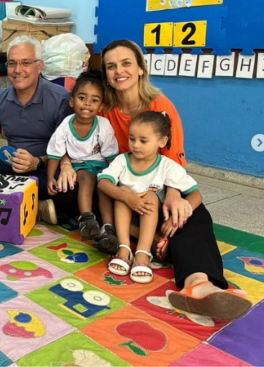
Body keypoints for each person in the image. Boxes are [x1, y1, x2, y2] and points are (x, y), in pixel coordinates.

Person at [58, 40, 251, 320]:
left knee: (190, 215)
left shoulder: (162, 108)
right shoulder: (101, 107)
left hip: (158, 186)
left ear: (139, 69)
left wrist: (173, 195)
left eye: (126, 63)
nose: (118, 71)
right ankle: (147, 238)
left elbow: (173, 167)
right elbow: (71, 138)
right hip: (117, 187)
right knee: (76, 189)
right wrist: (65, 162)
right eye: (111, 66)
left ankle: (199, 284)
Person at [0, 35, 73, 225]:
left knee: (71, 185)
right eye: (12, 64)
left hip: (46, 169)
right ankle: (32, 203)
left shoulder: (61, 99)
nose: (18, 70)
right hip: (11, 168)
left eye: (26, 63)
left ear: (39, 66)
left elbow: (70, 149)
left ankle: (9, 199)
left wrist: (36, 162)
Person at [98, 112, 200, 284]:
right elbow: (103, 183)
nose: (136, 145)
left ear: (162, 141)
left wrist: (180, 214)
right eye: (132, 139)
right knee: (124, 190)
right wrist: (127, 197)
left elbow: (196, 194)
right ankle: (124, 249)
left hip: (152, 218)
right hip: (124, 217)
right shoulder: (122, 160)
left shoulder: (167, 166)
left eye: (143, 141)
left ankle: (143, 253)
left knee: (151, 196)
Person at [46, 70, 119, 249]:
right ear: (72, 101)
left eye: (94, 100)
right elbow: (55, 152)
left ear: (101, 106)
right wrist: (50, 178)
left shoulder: (104, 125)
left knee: (105, 186)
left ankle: (108, 228)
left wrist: (117, 180)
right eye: (82, 98)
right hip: (80, 167)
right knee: (86, 178)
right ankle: (87, 219)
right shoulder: (66, 125)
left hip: (102, 165)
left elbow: (111, 157)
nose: (87, 104)